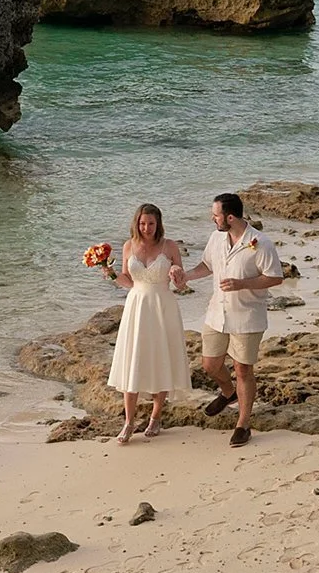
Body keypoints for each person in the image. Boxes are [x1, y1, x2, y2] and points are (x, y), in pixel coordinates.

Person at [178, 191, 284, 447]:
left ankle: (243, 424)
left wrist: (242, 284)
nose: (212, 219)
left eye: (216, 215)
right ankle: (228, 392)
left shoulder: (261, 242)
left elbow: (276, 277)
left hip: (247, 316)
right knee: (209, 365)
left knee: (243, 370)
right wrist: (186, 276)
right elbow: (207, 265)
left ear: (231, 217)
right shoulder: (216, 238)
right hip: (217, 313)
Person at [105, 203, 188, 443]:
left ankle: (155, 417)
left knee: (161, 357)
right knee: (132, 359)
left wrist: (175, 273)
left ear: (158, 223)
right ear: (136, 223)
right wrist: (108, 273)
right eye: (142, 223)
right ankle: (129, 422)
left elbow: (181, 284)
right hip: (136, 306)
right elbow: (127, 281)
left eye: (151, 223)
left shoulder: (169, 246)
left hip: (163, 306)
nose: (147, 228)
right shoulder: (128, 246)